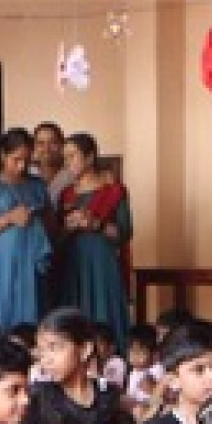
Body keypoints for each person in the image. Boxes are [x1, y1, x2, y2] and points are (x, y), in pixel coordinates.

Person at [0, 130, 53, 333]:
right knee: (2, 315)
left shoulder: (37, 185)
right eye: (16, 160)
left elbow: (51, 225)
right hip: (1, 264)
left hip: (32, 262)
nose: (22, 166)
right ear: (3, 155)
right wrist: (8, 219)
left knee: (34, 317)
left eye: (27, 161)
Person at [55, 135, 132, 349]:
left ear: (89, 158)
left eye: (72, 156)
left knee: (103, 311)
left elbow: (125, 232)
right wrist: (68, 228)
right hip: (73, 263)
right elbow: (56, 238)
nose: (67, 162)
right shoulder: (66, 195)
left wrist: (95, 224)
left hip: (101, 263)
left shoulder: (114, 191)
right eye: (65, 157)